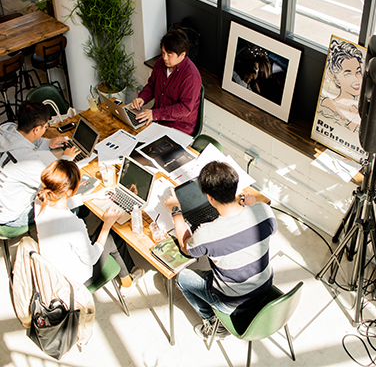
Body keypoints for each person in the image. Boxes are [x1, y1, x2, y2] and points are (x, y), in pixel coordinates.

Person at [163, 161, 277, 340]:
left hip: (232, 301)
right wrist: (251, 205)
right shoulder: (263, 210)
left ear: (209, 197)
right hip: (264, 287)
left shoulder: (207, 233)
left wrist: (176, 210)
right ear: (235, 187)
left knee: (181, 278)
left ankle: (214, 324)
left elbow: (186, 248)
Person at [35, 159, 144, 294]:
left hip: (55, 266)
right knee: (112, 235)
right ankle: (127, 282)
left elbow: (62, 202)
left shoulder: (41, 200)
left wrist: (93, 195)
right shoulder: (72, 224)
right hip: (76, 279)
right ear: (69, 191)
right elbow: (92, 258)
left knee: (108, 233)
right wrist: (107, 225)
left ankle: (127, 275)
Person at [0, 100, 79, 227]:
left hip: (4, 200)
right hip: (12, 215)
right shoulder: (26, 161)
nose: (47, 127)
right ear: (37, 129)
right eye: (46, 126)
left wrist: (47, 143)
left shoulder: (7, 130)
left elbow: (21, 138)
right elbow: (56, 181)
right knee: (69, 203)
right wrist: (66, 159)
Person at [130, 29, 202, 135]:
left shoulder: (191, 76)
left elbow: (185, 109)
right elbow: (151, 86)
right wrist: (142, 98)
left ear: (182, 55)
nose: (164, 58)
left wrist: (155, 114)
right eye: (163, 53)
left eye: (169, 55)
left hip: (179, 127)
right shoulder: (160, 63)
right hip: (158, 119)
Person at [318, 39, 364, 132]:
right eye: (348, 74)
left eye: (358, 72)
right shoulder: (329, 104)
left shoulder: (357, 111)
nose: (356, 79)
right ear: (337, 80)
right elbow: (343, 132)